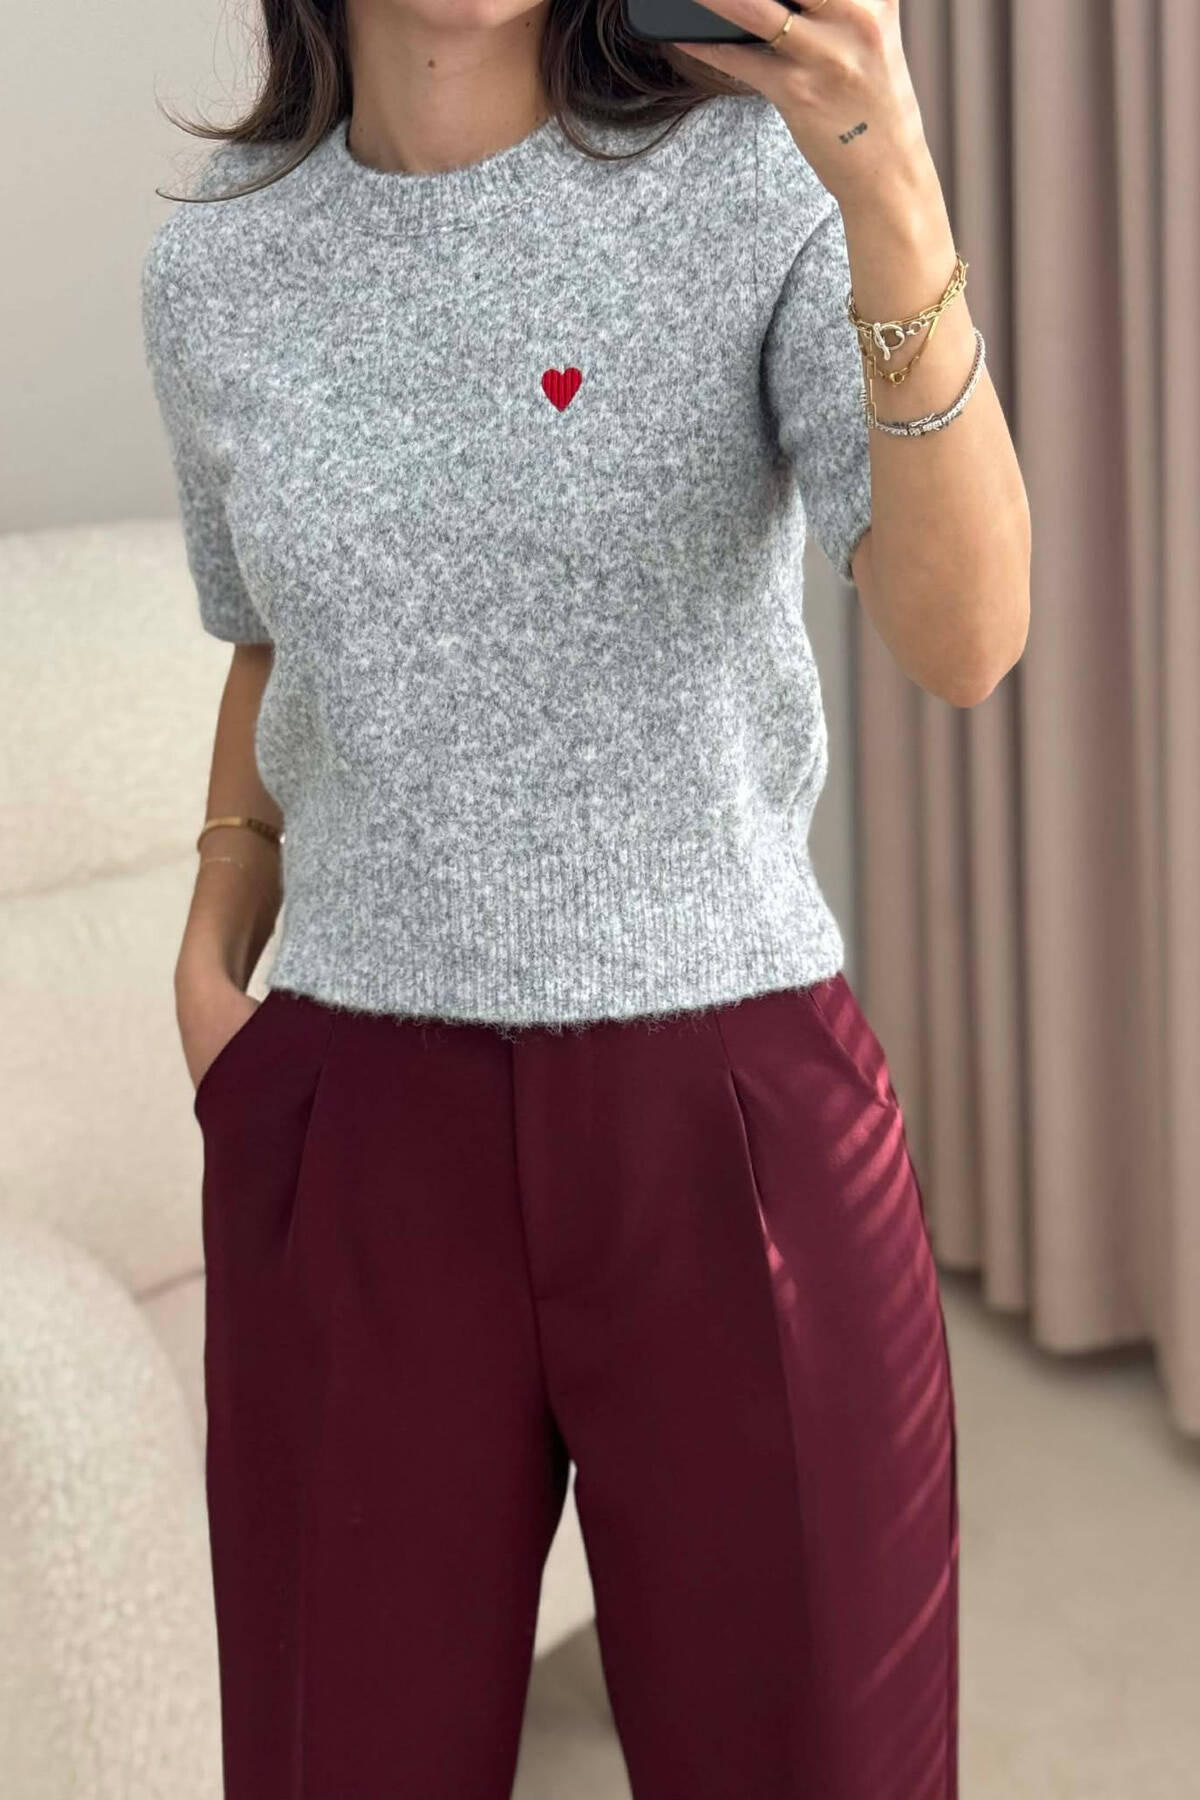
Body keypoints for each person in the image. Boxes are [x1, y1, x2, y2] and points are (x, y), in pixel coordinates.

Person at [141, 1, 1026, 1793]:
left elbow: (968, 642)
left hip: (729, 1114)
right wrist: (221, 911)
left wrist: (893, 191)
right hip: (353, 1121)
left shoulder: (756, 180)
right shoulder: (218, 266)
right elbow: (268, 640)